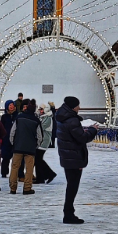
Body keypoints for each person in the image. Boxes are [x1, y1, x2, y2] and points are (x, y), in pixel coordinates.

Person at [55, 95, 96, 224]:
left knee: (70, 185)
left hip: (67, 156)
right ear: (73, 107)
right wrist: (92, 130)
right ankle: (68, 213)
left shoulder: (62, 118)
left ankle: (69, 211)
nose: (79, 107)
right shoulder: (72, 120)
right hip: (74, 157)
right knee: (72, 186)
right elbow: (82, 138)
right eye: (78, 105)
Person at [9, 99, 43, 194]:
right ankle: (27, 188)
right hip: (30, 148)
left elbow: (12, 132)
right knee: (29, 168)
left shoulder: (19, 118)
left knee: (15, 167)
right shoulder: (36, 120)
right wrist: (36, 145)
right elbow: (39, 136)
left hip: (18, 146)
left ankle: (13, 187)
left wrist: (13, 143)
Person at [35, 102, 58, 184]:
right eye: (40, 109)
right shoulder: (43, 117)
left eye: (41, 109)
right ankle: (42, 176)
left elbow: (41, 127)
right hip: (41, 140)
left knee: (38, 159)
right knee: (38, 159)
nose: (40, 111)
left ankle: (48, 175)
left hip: (44, 141)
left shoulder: (48, 118)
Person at [0, 100, 17, 172]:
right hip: (6, 139)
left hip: (16, 138)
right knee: (6, 157)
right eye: (10, 105)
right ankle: (4, 171)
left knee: (16, 157)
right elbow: (1, 127)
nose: (12, 106)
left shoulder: (17, 115)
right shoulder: (4, 117)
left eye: (13, 105)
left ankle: (16, 172)